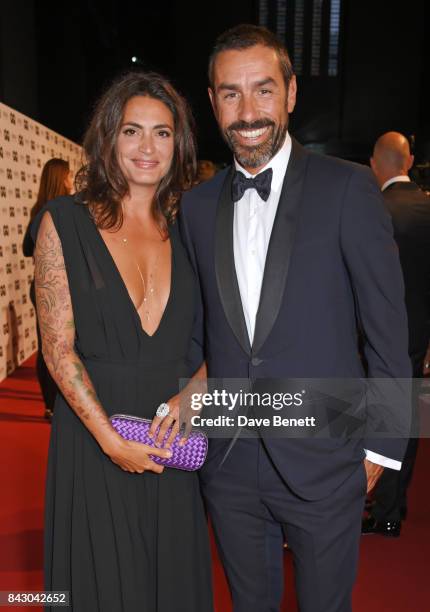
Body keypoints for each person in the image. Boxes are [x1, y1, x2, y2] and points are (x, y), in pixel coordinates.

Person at [178, 25, 411, 612]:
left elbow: (388, 331)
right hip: (230, 464)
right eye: (231, 93)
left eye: (263, 89)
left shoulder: (348, 188)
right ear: (212, 101)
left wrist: (380, 450)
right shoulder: (198, 207)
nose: (248, 109)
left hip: (326, 459)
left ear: (291, 92)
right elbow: (198, 331)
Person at [32, 72, 213, 611]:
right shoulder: (62, 221)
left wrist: (194, 394)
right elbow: (57, 349)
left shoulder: (194, 227)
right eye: (132, 130)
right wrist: (110, 441)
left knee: (169, 586)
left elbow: (223, 340)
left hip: (169, 438)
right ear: (109, 137)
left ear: (178, 143)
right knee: (96, 586)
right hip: (94, 440)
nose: (147, 147)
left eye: (162, 132)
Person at [363, 131, 430, 536]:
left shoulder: (372, 209)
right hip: (415, 340)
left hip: (371, 341)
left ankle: (373, 503)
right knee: (404, 423)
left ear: (376, 163)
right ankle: (392, 506)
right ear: (408, 161)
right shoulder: (427, 208)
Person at [23, 158, 73, 419]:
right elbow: (27, 248)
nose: (71, 179)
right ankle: (53, 404)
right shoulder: (61, 209)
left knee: (52, 346)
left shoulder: (40, 208)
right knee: (54, 347)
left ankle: (52, 404)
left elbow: (25, 249)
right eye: (68, 175)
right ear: (60, 178)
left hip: (47, 287)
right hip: (54, 289)